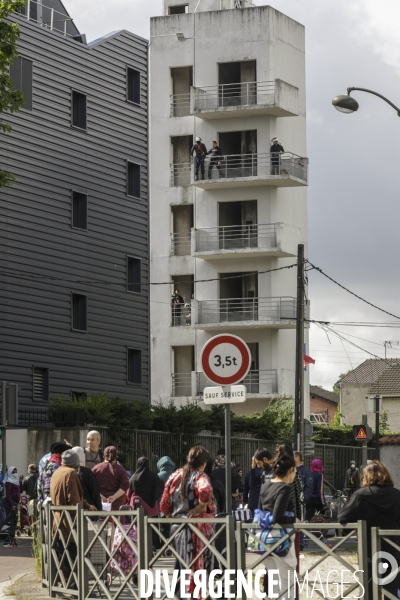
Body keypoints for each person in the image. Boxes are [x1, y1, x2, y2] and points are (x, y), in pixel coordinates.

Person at [160, 446, 216, 599]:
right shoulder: (200, 476)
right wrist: (201, 506)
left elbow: (164, 504)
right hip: (196, 529)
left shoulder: (175, 475)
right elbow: (205, 491)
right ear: (204, 462)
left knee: (181, 564)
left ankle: (178, 595)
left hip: (177, 528)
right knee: (196, 565)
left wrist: (172, 517)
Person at [339, 461, 400, 599]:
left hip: (369, 550)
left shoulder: (360, 496)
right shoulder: (397, 495)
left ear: (366, 477)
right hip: (394, 548)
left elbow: (342, 517)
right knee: (392, 589)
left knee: (369, 589)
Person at [258, 444, 297, 599]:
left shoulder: (265, 485)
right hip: (282, 538)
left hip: (264, 537)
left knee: (273, 581)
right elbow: (277, 516)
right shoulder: (284, 488)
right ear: (290, 470)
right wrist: (295, 520)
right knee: (287, 580)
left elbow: (261, 511)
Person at [50, 450, 96, 580]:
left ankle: (70, 587)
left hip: (58, 520)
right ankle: (77, 589)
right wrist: (82, 512)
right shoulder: (71, 473)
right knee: (75, 557)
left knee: (66, 558)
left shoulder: (57, 472)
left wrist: (87, 505)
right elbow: (74, 500)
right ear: (75, 463)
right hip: (69, 523)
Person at [92, 446, 129, 510]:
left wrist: (100, 496)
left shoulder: (96, 468)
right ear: (116, 457)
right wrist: (114, 497)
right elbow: (125, 485)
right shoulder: (121, 469)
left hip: (99, 502)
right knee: (117, 520)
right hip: (117, 504)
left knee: (100, 520)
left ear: (103, 456)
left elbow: (90, 484)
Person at [72, 447, 102, 511]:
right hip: (89, 509)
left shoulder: (68, 472)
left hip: (73, 509)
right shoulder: (87, 472)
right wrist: (99, 509)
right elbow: (95, 492)